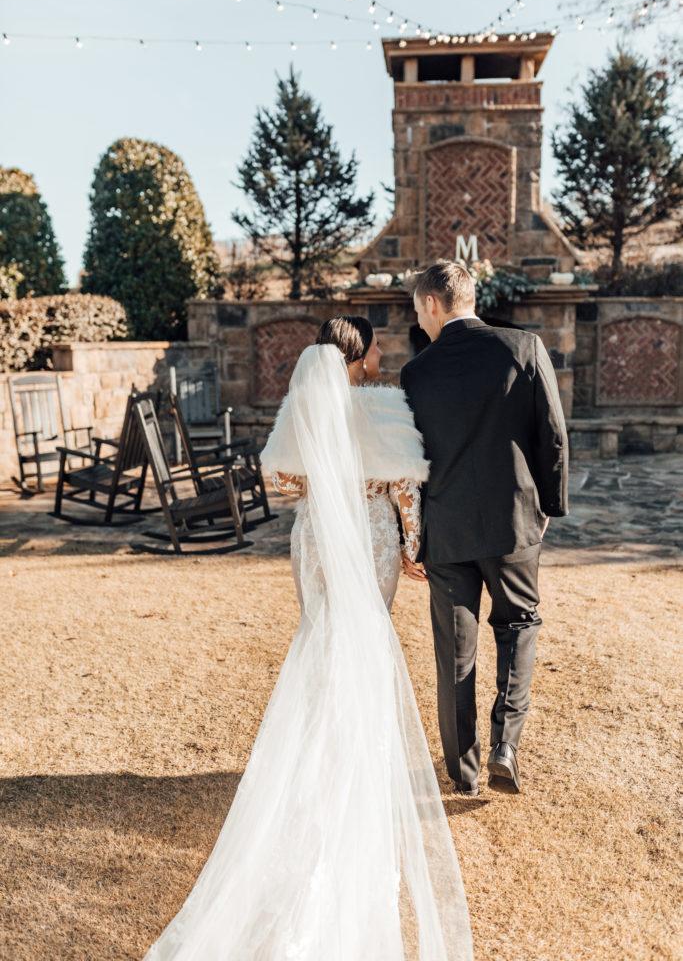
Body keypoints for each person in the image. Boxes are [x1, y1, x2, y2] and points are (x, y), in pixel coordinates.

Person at [143, 316, 473, 961]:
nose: (383, 354)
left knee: (322, 634)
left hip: (317, 534)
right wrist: (410, 544)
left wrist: (329, 482)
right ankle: (352, 745)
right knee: (365, 635)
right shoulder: (384, 405)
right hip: (371, 531)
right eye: (376, 345)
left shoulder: (306, 405)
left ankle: (319, 733)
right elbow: (405, 484)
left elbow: (284, 483)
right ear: (358, 354)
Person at [400, 260, 569, 798]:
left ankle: (463, 770)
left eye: (417, 309)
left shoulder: (416, 373)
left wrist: (415, 532)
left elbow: (412, 459)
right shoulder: (523, 348)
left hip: (446, 530)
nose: (418, 321)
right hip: (513, 521)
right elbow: (554, 436)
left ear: (431, 303)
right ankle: (506, 745)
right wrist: (549, 506)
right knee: (518, 625)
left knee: (454, 649)